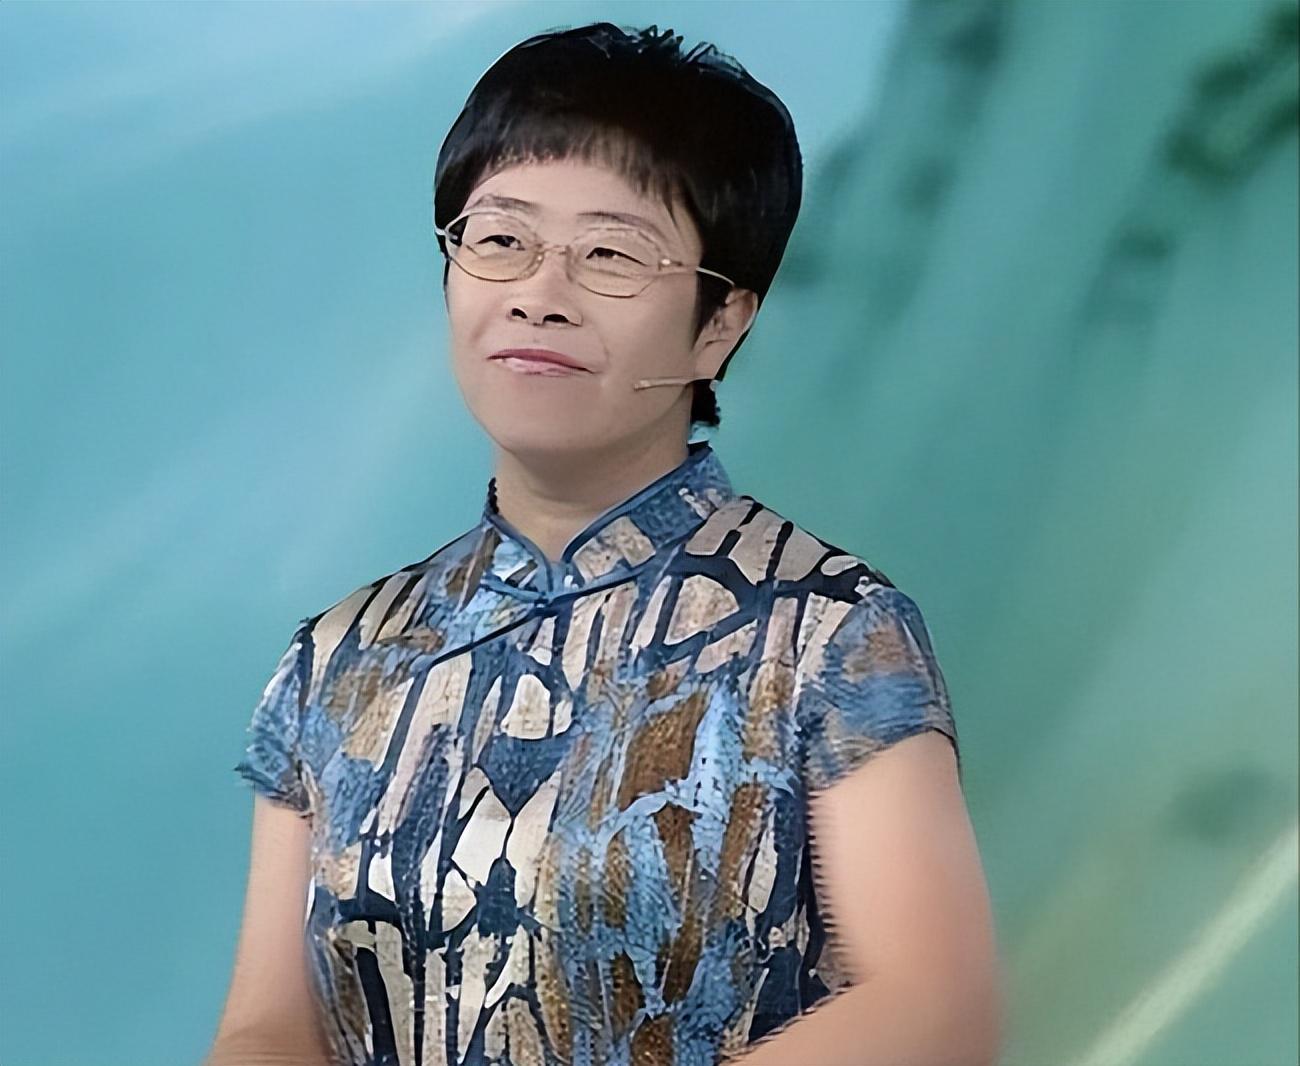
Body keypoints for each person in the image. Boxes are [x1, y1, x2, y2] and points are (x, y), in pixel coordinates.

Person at [207, 21, 1002, 1066]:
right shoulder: (339, 660)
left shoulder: (830, 633)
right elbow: (269, 1027)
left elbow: (935, 1008)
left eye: (611, 255)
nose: (539, 295)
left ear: (720, 323)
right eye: (500, 240)